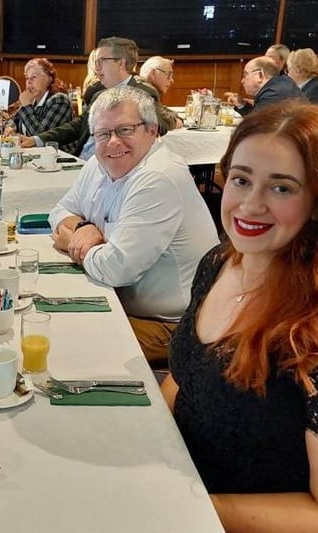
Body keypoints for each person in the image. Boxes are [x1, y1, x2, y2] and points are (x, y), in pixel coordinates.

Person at [162, 102, 318, 531]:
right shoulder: (217, 263)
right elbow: (183, 378)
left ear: (317, 203)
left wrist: (182, 508)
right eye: (241, 180)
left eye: (282, 188)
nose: (250, 205)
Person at [48, 86, 219, 364]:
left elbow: (116, 269)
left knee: (63, 343)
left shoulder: (157, 177)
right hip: (119, 300)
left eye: (125, 130)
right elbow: (60, 211)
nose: (113, 142)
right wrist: (83, 229)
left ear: (152, 130)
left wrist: (71, 242)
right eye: (103, 134)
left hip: (171, 326)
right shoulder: (99, 162)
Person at [19, 36, 172, 158]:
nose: (96, 67)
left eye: (101, 61)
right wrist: (36, 140)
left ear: (121, 63)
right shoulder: (98, 93)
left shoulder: (141, 92)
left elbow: (161, 126)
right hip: (82, 160)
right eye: (96, 62)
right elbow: (77, 126)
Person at [3, 58, 72, 137]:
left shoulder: (59, 100)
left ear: (48, 79)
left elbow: (40, 137)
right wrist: (10, 128)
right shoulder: (33, 99)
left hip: (55, 149)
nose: (29, 82)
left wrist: (26, 106)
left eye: (34, 77)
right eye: (27, 78)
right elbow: (13, 120)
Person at [226, 56, 304, 116]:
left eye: (245, 75)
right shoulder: (280, 83)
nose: (242, 81)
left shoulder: (273, 94)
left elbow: (255, 126)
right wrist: (241, 104)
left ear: (260, 75)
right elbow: (255, 117)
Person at [139, 56, 182, 128]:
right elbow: (161, 121)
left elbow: (162, 110)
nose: (172, 81)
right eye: (168, 75)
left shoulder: (146, 89)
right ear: (153, 73)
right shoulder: (144, 91)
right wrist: (176, 121)